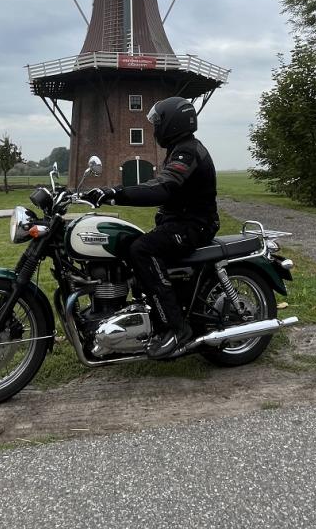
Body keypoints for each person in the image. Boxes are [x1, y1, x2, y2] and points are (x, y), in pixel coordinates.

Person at [82, 96, 220, 359]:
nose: (155, 128)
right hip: (178, 222)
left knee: (142, 250)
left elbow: (163, 187)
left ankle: (176, 328)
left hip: (195, 225)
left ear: (173, 123)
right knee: (127, 243)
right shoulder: (179, 149)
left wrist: (116, 193)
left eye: (158, 122)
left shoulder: (188, 151)